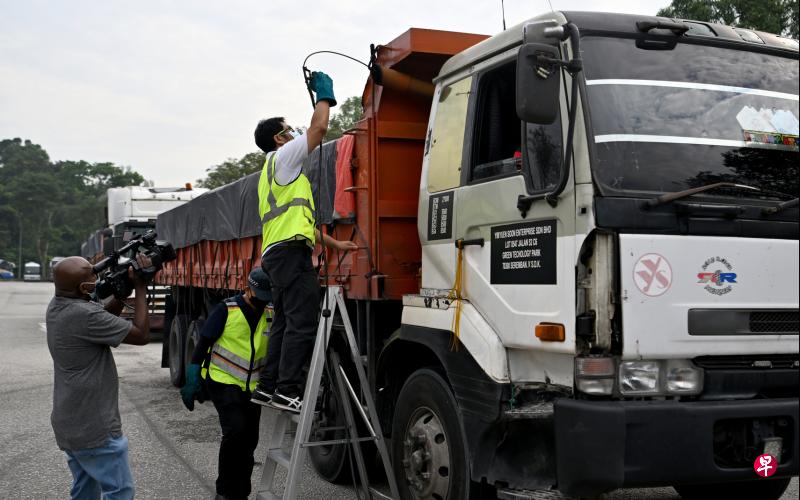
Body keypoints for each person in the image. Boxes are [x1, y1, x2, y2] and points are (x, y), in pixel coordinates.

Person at [250, 71, 357, 413]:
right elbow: (319, 129)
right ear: (279, 139)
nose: (295, 132)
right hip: (290, 256)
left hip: (276, 255)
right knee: (302, 321)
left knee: (282, 321)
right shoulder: (283, 158)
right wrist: (324, 95)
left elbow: (300, 224)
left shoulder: (270, 174)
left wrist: (335, 245)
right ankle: (288, 390)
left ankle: (268, 387)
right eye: (289, 129)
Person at [46, 255, 151, 500]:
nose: (98, 279)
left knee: (85, 489)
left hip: (70, 422)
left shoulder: (58, 305)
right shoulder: (82, 314)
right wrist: (141, 287)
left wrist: (120, 294)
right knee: (120, 491)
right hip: (93, 425)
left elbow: (100, 318)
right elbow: (141, 335)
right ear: (84, 288)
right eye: (94, 277)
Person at [180, 268, 273, 500]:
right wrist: (192, 378)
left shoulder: (270, 312)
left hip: (252, 387)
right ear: (247, 288)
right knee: (236, 432)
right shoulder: (226, 310)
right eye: (258, 296)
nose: (262, 302)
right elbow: (203, 343)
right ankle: (224, 492)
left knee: (250, 441)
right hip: (223, 382)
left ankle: (241, 493)